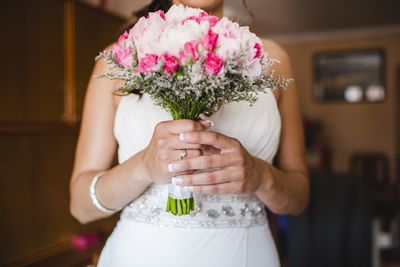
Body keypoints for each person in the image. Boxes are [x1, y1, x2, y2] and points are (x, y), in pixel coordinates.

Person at [69, 0, 309, 266]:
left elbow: (299, 199)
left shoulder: (272, 60)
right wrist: (144, 167)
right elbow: (81, 207)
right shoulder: (120, 59)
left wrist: (262, 177)